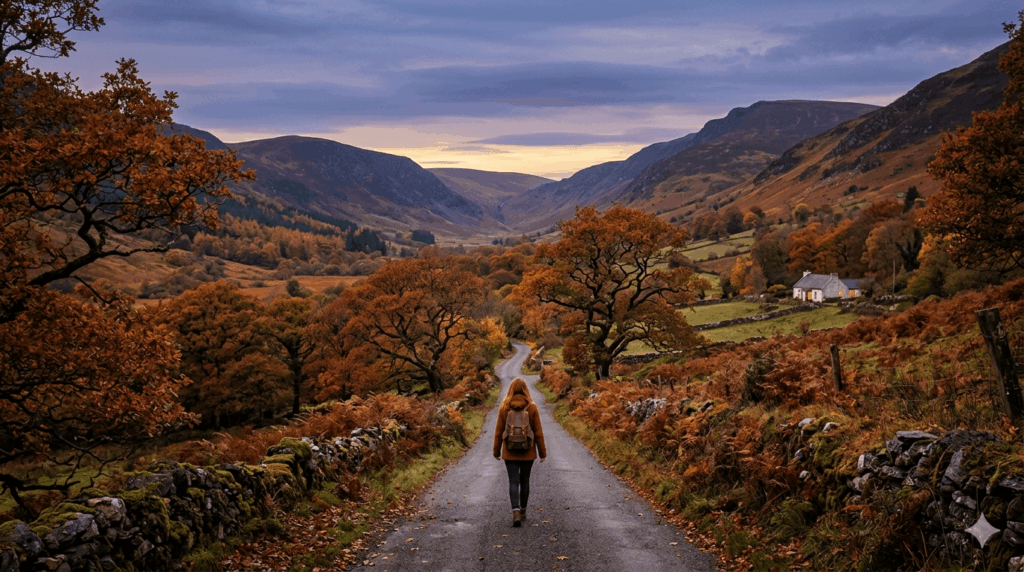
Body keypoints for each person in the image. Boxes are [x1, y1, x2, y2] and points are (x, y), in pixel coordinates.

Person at [493, 377, 547, 527]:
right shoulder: (532, 407)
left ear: (510, 389)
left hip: (509, 451)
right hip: (528, 451)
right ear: (525, 390)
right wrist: (542, 453)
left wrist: (496, 451)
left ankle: (515, 512)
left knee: (513, 481)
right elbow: (538, 432)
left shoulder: (504, 407)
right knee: (525, 481)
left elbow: (498, 432)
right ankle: (523, 511)